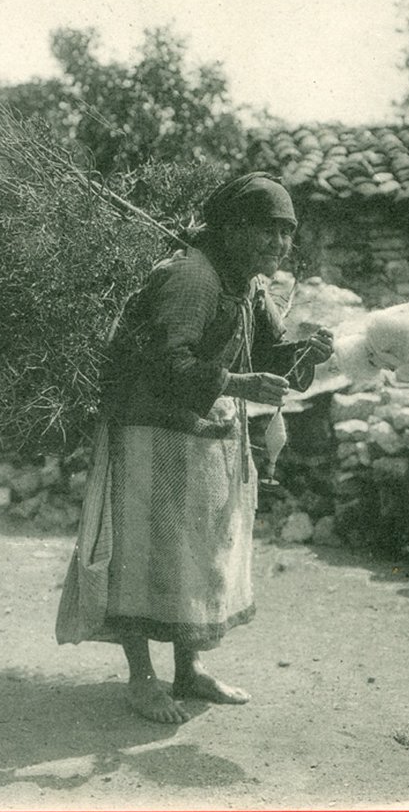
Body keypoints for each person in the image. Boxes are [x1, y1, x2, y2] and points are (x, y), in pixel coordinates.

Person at [56, 172, 333, 723]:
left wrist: (310, 352)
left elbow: (273, 354)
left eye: (287, 232)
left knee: (197, 553)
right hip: (149, 434)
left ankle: (187, 671)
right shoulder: (191, 278)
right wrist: (239, 385)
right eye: (268, 230)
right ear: (231, 230)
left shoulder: (247, 284)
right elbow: (165, 363)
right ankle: (142, 679)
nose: (280, 244)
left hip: (204, 437)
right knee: (144, 552)